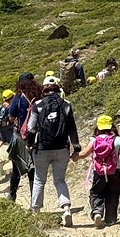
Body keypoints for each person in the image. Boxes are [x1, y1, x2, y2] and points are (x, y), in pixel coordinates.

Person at [26, 73, 81, 226]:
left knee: (39, 179)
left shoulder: (37, 105)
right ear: (58, 89)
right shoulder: (66, 104)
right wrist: (76, 147)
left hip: (42, 148)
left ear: (44, 89)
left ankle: (36, 211)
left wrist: (29, 143)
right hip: (62, 148)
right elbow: (72, 128)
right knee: (59, 180)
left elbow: (31, 128)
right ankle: (66, 209)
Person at [75, 114, 120, 226]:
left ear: (98, 127)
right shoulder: (117, 140)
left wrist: (74, 156)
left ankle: (97, 213)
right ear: (111, 126)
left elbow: (85, 153)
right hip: (114, 171)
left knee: (96, 193)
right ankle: (110, 219)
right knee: (113, 193)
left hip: (98, 172)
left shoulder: (94, 140)